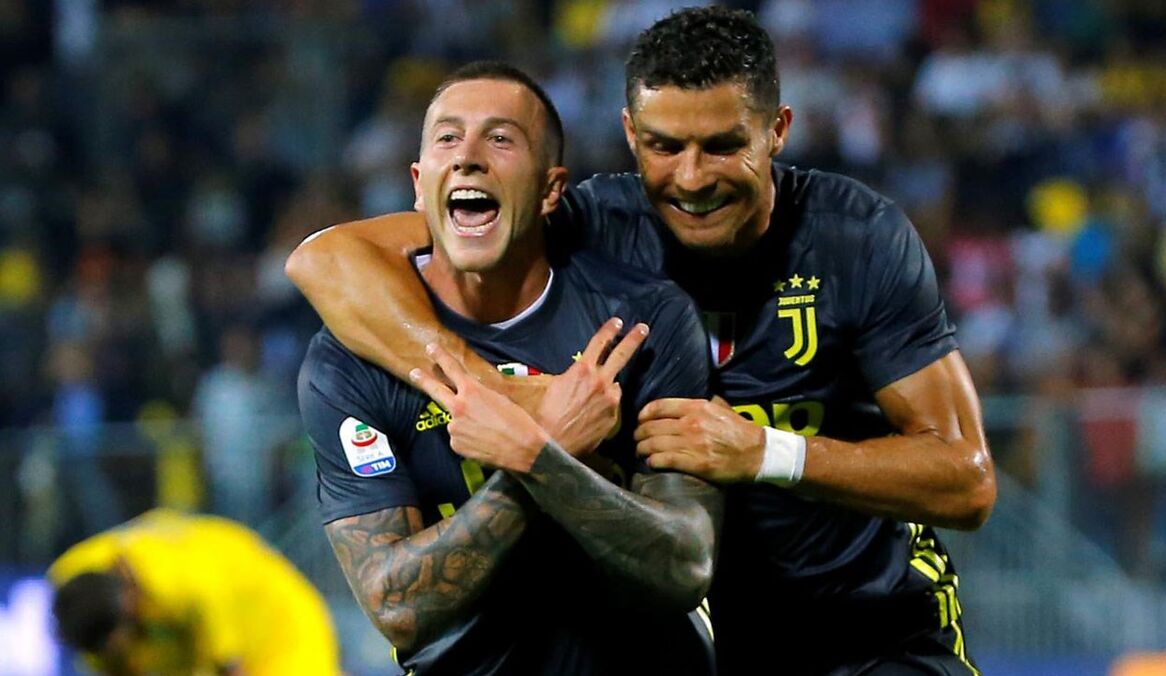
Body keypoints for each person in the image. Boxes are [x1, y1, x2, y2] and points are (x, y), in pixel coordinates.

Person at [286, 8, 995, 675]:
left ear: (777, 130)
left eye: (723, 146)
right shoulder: (589, 224)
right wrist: (496, 394)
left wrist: (766, 453)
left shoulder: (857, 238)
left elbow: (966, 480)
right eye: (665, 147)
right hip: (713, 643)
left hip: (871, 630)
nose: (692, 177)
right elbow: (326, 259)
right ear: (631, 134)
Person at [296, 61, 723, 675]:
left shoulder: (643, 320)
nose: (467, 158)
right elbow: (396, 606)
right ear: (418, 183)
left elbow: (685, 567)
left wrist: (534, 455)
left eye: (500, 138)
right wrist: (543, 450)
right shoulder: (351, 358)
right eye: (448, 137)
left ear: (551, 190)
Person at [47, 508, 339, 676]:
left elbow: (230, 668)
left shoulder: (191, 589)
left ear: (129, 605)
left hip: (278, 626)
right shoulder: (69, 575)